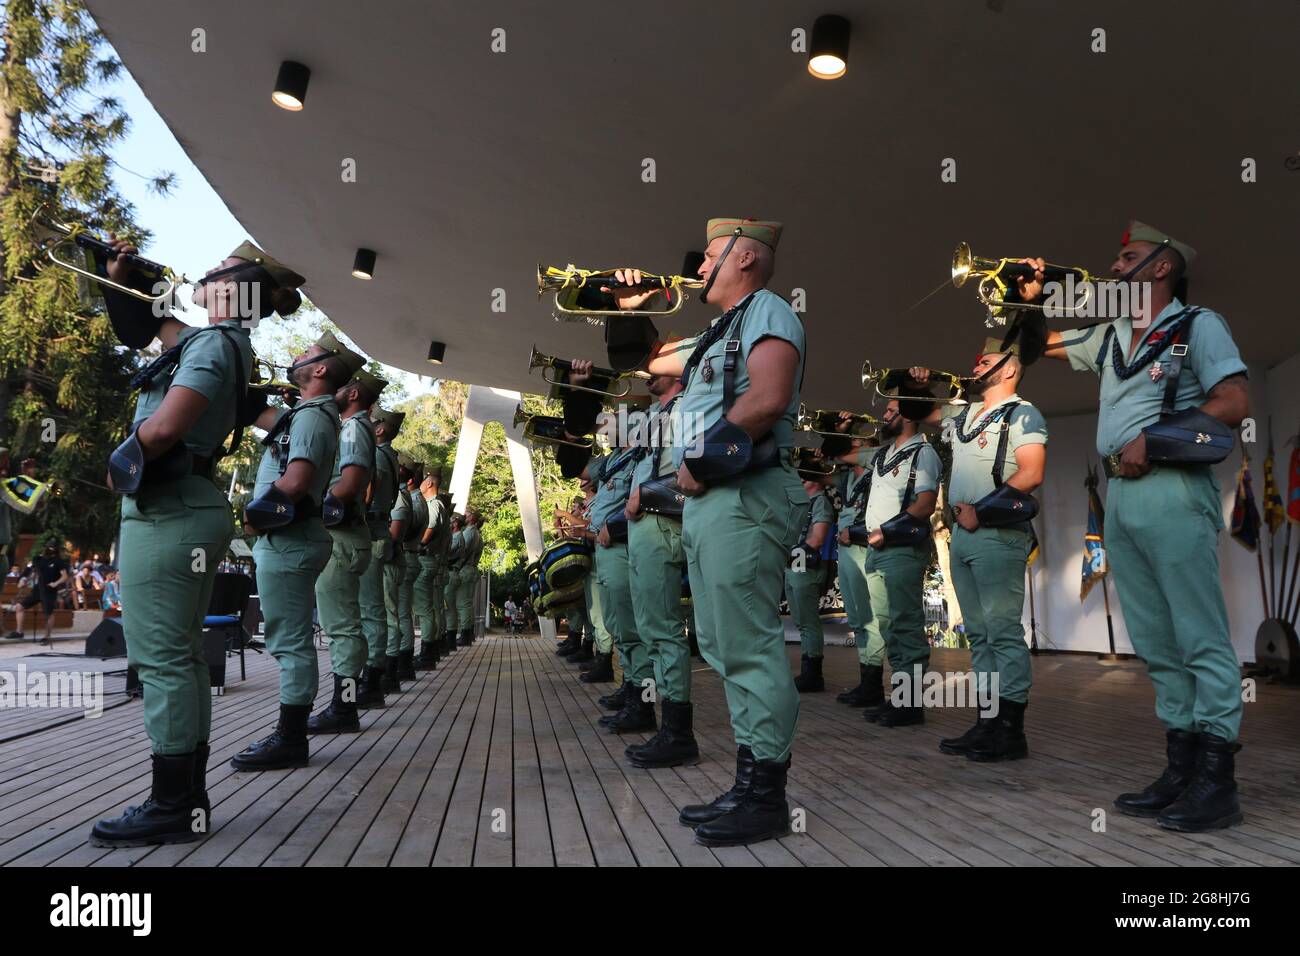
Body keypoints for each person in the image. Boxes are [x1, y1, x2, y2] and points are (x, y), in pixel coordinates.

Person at [1031, 221, 1250, 832]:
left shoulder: (1196, 325)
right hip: (1121, 497)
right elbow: (1033, 346)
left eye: (1127, 256)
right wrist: (1024, 292)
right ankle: (1181, 768)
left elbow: (1233, 402)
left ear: (1161, 267)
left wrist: (1153, 438)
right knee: (1154, 641)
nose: (1114, 265)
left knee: (1198, 634)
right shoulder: (1107, 334)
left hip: (1173, 489)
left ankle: (1217, 780)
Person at [90, 238, 305, 847]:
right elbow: (148, 327)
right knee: (180, 658)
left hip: (168, 509)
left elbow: (166, 425)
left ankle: (174, 803)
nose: (204, 274)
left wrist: (121, 462)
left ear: (235, 293)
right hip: (187, 505)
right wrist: (118, 278)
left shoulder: (212, 344)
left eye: (218, 273)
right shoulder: (217, 342)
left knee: (162, 658)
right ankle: (184, 797)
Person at [623, 217, 805, 846]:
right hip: (715, 499)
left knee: (747, 643)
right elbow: (650, 363)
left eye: (708, 257)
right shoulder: (717, 331)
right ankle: (749, 780)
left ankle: (765, 797)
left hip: (741, 495)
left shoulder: (768, 311)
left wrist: (698, 461)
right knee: (723, 642)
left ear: (746, 257)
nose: (698, 268)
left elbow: (768, 399)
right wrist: (628, 305)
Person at [911, 334, 1047, 762]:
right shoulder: (965, 414)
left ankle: (1011, 730)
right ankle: (988, 723)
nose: (975, 366)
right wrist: (919, 383)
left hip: (997, 533)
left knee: (1003, 632)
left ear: (1008, 369)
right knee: (981, 636)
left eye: (986, 361)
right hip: (965, 534)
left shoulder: (1023, 412)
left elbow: (1032, 472)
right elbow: (921, 413)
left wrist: (982, 512)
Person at [229, 331, 361, 770]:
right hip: (295, 538)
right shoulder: (306, 413)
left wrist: (253, 516)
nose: (296, 356)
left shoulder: (311, 417)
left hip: (288, 539)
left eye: (305, 354)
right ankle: (293, 732)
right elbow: (264, 419)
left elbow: (297, 481)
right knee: (294, 639)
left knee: (290, 643)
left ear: (321, 369)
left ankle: (290, 739)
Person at [841, 395, 941, 726]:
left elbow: (926, 503)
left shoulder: (922, 452)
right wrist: (841, 430)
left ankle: (911, 705)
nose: (883, 415)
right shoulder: (884, 453)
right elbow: (841, 456)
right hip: (878, 550)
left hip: (900, 548)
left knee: (906, 623)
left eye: (890, 410)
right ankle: (900, 698)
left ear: (907, 415)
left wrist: (885, 530)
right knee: (887, 624)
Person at [623, 367, 697, 765]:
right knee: (651, 625)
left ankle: (678, 733)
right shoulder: (660, 414)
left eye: (657, 369)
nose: (648, 375)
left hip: (661, 521)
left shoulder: (686, 409)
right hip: (646, 526)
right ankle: (666, 724)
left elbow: (691, 469)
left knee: (663, 628)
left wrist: (642, 495)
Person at [307, 368, 386, 734]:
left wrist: (311, 508)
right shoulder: (361, 427)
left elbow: (351, 481)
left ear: (353, 392)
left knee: (342, 629)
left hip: (341, 537)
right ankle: (346, 703)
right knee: (349, 626)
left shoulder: (354, 427)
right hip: (352, 537)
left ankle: (344, 707)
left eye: (340, 385)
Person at [360, 407, 403, 697]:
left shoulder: (377, 455)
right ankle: (376, 676)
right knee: (376, 608)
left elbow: (366, 493)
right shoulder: (390, 456)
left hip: (371, 530)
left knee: (370, 609)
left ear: (379, 430)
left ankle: (372, 679)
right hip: (379, 531)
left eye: (371, 422)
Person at [785, 475, 836, 692]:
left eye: (803, 478)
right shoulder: (802, 503)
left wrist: (787, 552)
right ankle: (809, 671)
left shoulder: (819, 502)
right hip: (793, 566)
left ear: (812, 481)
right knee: (801, 620)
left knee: (808, 621)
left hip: (805, 566)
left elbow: (817, 539)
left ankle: (813, 673)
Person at [392, 453, 427, 683]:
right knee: (403, 612)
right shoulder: (417, 499)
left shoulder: (408, 498)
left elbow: (404, 531)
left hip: (406, 554)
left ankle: (401, 663)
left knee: (398, 613)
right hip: (412, 556)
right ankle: (403, 662)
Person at [414, 467, 449, 670]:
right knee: (431, 607)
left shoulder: (433, 505)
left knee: (426, 608)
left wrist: (420, 544)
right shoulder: (437, 505)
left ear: (428, 483)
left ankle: (427, 652)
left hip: (427, 559)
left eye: (423, 479)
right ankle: (431, 649)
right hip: (433, 560)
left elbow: (431, 527)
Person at [6, 539, 70, 645]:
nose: (51, 549)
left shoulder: (59, 561)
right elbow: (29, 570)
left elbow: (64, 577)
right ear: (46, 547)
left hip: (49, 591)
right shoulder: (38, 559)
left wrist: (55, 583)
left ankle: (46, 637)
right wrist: (23, 579)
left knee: (48, 614)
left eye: (53, 547)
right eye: (49, 547)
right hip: (37, 590)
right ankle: (19, 632)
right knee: (19, 607)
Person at [454, 506, 484, 646]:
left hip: (465, 569)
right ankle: (469, 633)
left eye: (466, 514)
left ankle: (465, 634)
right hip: (471, 569)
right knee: (467, 604)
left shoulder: (469, 533)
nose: (463, 517)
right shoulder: (477, 533)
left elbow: (461, 551)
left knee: (463, 604)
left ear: (471, 518)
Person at [442, 513, 465, 652]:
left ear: (455, 524)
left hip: (451, 572)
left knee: (448, 609)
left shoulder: (457, 537)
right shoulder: (457, 536)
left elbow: (448, 553)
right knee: (449, 608)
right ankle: (449, 639)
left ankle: (449, 640)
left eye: (451, 521)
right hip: (452, 573)